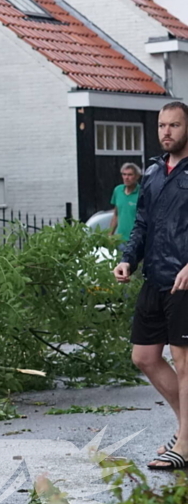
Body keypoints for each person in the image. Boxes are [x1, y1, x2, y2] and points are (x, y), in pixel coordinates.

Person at [113, 101, 188, 470]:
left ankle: (186, 443)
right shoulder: (154, 172)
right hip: (154, 277)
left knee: (184, 361)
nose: (166, 132)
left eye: (174, 125)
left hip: (185, 281)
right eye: (162, 125)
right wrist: (128, 258)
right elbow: (141, 223)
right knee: (143, 356)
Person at [108, 162, 141, 242]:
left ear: (137, 176)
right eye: (124, 174)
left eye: (130, 175)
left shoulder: (142, 192)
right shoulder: (118, 190)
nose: (126, 177)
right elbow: (116, 214)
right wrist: (110, 235)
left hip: (136, 240)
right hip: (120, 239)